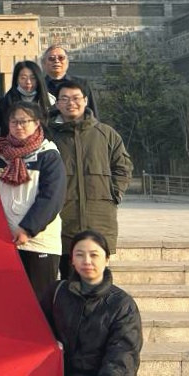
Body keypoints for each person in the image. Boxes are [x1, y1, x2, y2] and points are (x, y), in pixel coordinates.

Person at [42, 230, 145, 376]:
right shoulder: (57, 293)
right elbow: (37, 326)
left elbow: (124, 355)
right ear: (71, 260)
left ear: (107, 259)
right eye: (80, 255)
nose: (87, 261)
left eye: (94, 255)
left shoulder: (122, 304)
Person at [50, 82, 132, 277]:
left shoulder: (106, 133)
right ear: (57, 104)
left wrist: (114, 194)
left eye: (76, 98)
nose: (71, 103)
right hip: (63, 220)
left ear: (86, 101)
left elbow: (123, 167)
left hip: (99, 218)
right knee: (69, 279)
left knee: (98, 279)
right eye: (65, 99)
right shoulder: (48, 135)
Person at [0, 102, 66, 298]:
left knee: (40, 301)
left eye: (24, 121)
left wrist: (28, 229)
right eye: (14, 122)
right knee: (9, 301)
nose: (18, 126)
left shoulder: (48, 155)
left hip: (39, 242)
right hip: (5, 242)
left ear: (37, 123)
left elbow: (52, 198)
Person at [0, 60, 55, 140]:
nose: (28, 82)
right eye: (23, 78)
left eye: (33, 78)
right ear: (16, 79)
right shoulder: (3, 103)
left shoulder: (50, 103)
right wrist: (4, 144)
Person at [43, 44, 99, 120]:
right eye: (51, 58)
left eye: (61, 58)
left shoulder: (81, 84)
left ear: (67, 62)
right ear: (44, 63)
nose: (56, 61)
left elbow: (92, 112)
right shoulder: (38, 85)